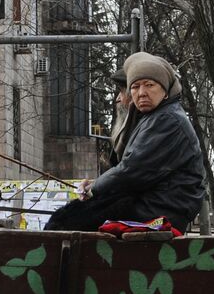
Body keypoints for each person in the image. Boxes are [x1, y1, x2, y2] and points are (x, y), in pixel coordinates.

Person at [50, 52, 205, 232]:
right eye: (135, 87)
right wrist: (96, 185)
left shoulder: (168, 120)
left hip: (161, 208)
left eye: (149, 85)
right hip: (153, 202)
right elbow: (131, 168)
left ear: (165, 90)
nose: (141, 93)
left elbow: (134, 170)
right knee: (68, 216)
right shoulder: (155, 116)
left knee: (65, 222)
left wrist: (94, 189)